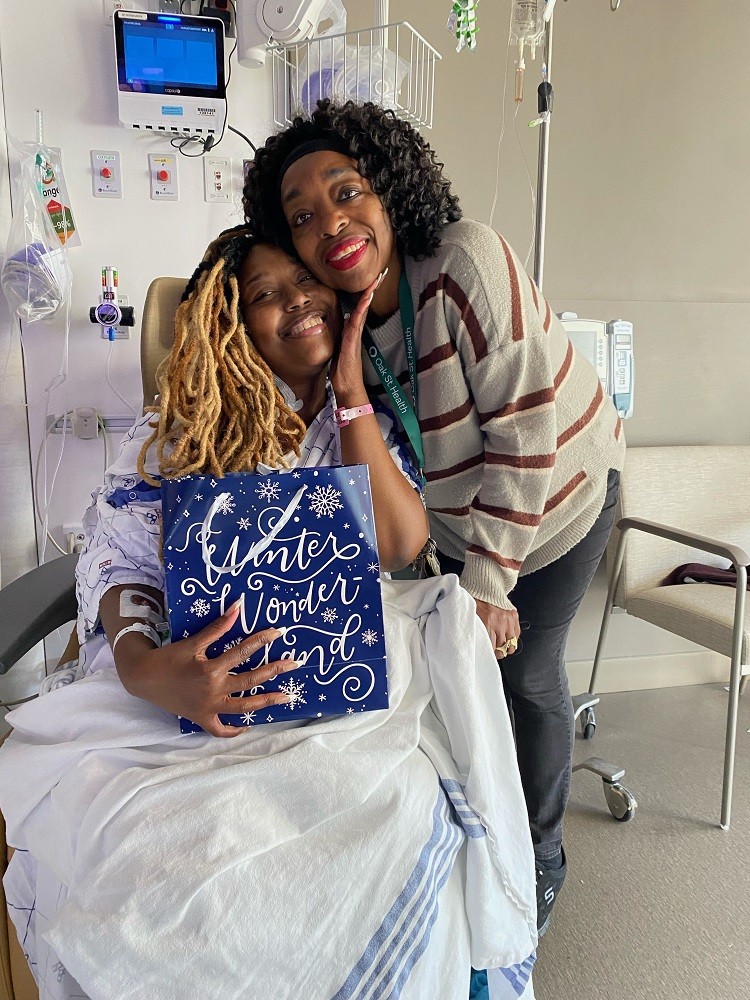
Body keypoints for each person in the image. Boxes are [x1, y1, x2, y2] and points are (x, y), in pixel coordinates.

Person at [0, 229, 538, 1000]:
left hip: (337, 699)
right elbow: (119, 563)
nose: (297, 301)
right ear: (230, 321)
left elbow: (401, 542)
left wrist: (351, 394)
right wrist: (146, 667)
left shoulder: (368, 426)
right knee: (166, 852)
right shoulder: (183, 432)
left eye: (308, 281)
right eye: (264, 294)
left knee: (404, 810)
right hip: (189, 697)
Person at [242, 100, 627, 936]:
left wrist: (489, 587)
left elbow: (527, 425)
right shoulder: (343, 318)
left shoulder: (464, 262)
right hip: (462, 518)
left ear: (388, 188)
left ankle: (543, 853)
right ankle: (480, 835)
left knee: (524, 674)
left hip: (559, 494)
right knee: (460, 677)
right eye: (303, 216)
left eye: (347, 193)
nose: (331, 222)